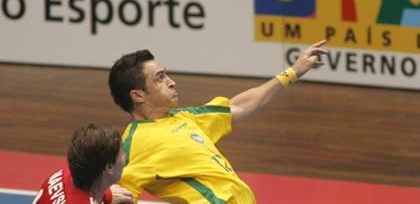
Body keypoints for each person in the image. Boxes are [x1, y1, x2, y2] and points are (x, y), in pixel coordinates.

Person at [109, 40, 328, 203]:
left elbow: (239, 105)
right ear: (137, 95)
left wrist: (293, 72)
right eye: (160, 78)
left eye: (167, 75)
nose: (172, 82)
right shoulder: (134, 144)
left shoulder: (186, 117)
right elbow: (120, 193)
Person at [33, 123, 134, 204]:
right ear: (109, 167)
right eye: (122, 153)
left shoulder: (68, 173)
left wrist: (105, 195)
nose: (125, 156)